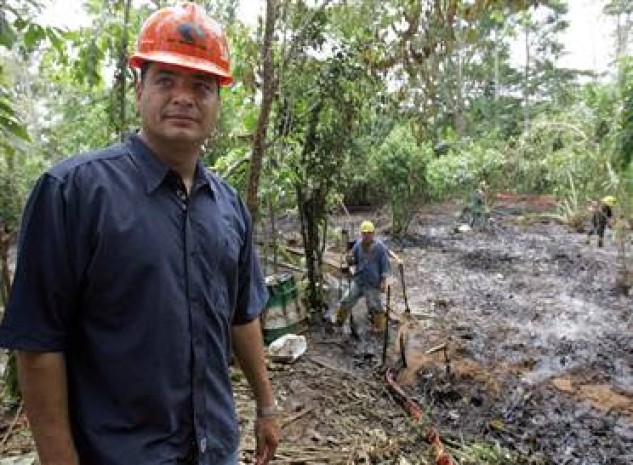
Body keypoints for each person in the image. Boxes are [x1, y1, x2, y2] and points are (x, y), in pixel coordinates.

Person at [0, 3, 279, 465]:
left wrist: (266, 406)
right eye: (166, 79)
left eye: (201, 86)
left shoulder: (228, 206)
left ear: (218, 102)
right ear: (139, 89)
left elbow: (242, 315)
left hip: (216, 450)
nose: (184, 97)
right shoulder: (75, 193)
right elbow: (38, 345)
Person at [335, 221, 391, 333]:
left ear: (373, 234)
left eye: (369, 233)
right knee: (346, 300)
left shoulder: (380, 248)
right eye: (364, 233)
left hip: (373, 283)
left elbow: (385, 266)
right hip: (359, 280)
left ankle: (379, 328)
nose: (366, 236)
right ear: (361, 234)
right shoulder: (358, 245)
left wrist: (383, 281)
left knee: (375, 306)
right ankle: (339, 322)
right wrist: (349, 260)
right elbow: (354, 260)